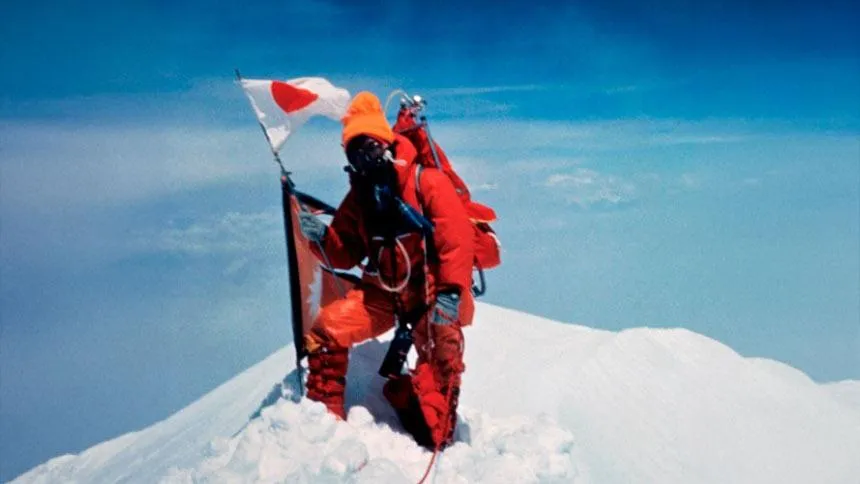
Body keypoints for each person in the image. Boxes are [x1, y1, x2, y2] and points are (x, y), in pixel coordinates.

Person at [298, 91, 475, 449]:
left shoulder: (427, 182)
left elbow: (455, 242)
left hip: (430, 298)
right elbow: (345, 252)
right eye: (354, 150)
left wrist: (450, 294)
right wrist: (320, 239)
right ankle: (323, 422)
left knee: (444, 360)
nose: (364, 157)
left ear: (386, 142)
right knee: (327, 330)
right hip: (382, 295)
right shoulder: (359, 198)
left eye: (370, 146)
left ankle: (426, 417)